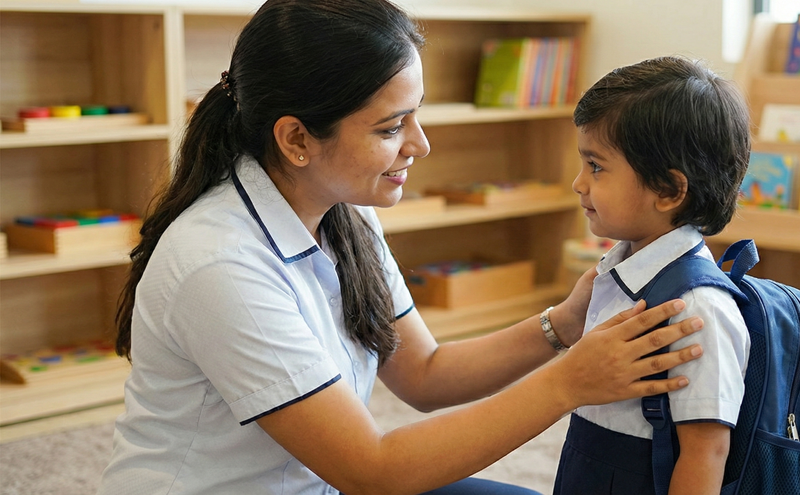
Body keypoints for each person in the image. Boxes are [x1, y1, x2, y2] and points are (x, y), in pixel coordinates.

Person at [96, 2, 709, 494]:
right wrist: (566, 384)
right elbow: (373, 472)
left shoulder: (346, 215)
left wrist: (563, 324)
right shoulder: (219, 263)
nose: (420, 144)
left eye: (415, 117)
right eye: (391, 128)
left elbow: (423, 374)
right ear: (296, 139)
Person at [552, 56, 752, 495]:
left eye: (596, 166)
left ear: (668, 190)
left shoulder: (698, 307)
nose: (578, 183)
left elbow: (706, 452)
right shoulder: (617, 272)